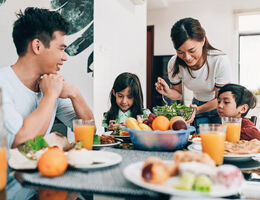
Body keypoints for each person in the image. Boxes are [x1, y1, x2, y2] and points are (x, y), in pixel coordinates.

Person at [0, 7, 94, 148]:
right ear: (37, 46)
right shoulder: (3, 84)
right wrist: (50, 95)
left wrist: (75, 93)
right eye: (61, 49)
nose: (65, 57)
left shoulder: (50, 84)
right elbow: (21, 143)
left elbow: (90, 131)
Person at [155, 17, 232, 131]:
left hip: (220, 106)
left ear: (202, 41)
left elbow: (220, 98)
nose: (187, 58)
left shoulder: (219, 60)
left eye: (192, 51)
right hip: (196, 105)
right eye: (180, 52)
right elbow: (178, 94)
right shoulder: (174, 63)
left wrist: (197, 110)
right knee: (197, 140)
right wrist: (167, 92)